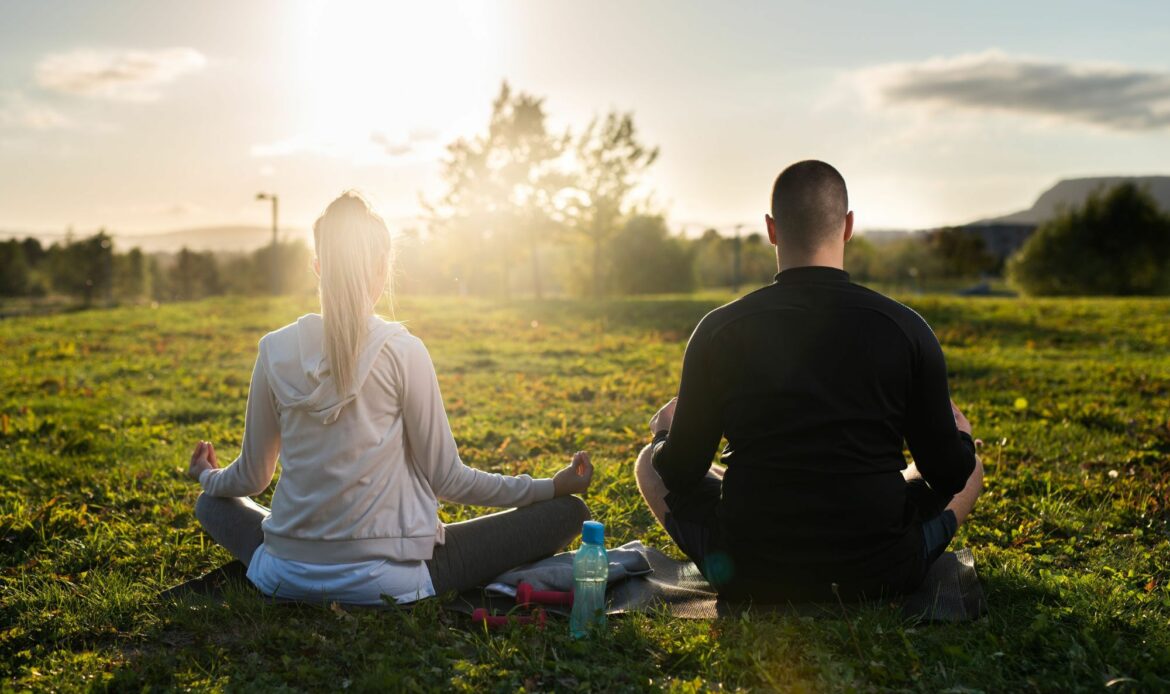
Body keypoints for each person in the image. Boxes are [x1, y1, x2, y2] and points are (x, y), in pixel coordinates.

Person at [187, 191, 593, 606]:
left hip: (283, 574)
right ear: (382, 269)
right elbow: (448, 479)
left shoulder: (273, 349)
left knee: (212, 504)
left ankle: (285, 544)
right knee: (568, 512)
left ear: (317, 268)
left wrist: (206, 475)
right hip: (392, 582)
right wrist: (550, 486)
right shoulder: (403, 350)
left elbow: (252, 479)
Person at [634, 160, 983, 602]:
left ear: (771, 229)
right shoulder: (907, 328)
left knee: (649, 462)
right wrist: (963, 439)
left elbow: (681, 472)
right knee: (973, 470)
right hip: (880, 569)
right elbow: (948, 472)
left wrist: (666, 431)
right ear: (848, 226)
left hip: (751, 569)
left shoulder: (720, 329)